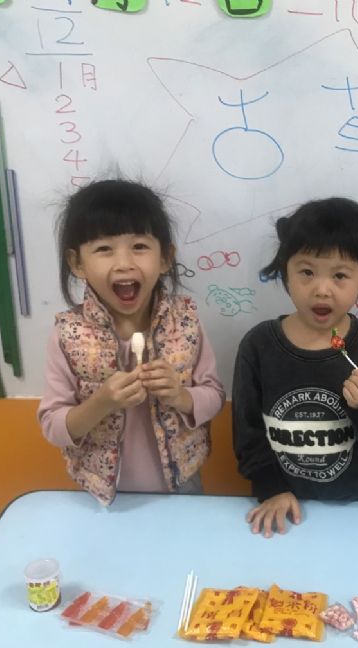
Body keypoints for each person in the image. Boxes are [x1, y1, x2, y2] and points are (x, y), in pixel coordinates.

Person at [38, 180, 224, 505]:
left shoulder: (186, 322)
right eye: (104, 249)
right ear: (77, 263)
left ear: (165, 257)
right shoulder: (68, 333)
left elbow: (214, 396)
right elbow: (53, 426)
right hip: (103, 493)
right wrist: (100, 403)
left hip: (183, 484)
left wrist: (181, 396)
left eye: (139, 246)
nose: (124, 263)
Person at [233, 197, 358, 536]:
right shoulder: (258, 346)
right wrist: (271, 489)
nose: (322, 290)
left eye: (340, 275)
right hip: (288, 510)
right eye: (307, 272)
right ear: (285, 272)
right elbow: (248, 435)